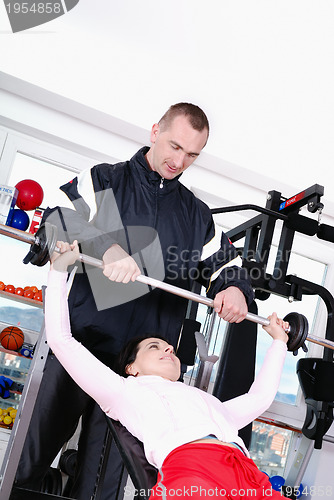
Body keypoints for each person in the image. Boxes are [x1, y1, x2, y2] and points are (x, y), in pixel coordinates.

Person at [16, 103, 255, 499]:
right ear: (154, 132)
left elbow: (225, 267)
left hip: (140, 376)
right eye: (175, 146)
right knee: (30, 459)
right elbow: (58, 219)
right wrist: (105, 246)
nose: (179, 161)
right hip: (82, 349)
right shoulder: (104, 180)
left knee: (102, 485)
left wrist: (233, 289)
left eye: (192, 155)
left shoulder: (197, 216)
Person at [46, 240, 289, 499]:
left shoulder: (209, 403)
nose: (169, 350)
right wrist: (59, 270)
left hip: (249, 476)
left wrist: (279, 342)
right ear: (132, 367)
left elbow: (259, 398)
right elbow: (62, 340)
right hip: (194, 474)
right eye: (154, 346)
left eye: (169, 347)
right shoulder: (122, 392)